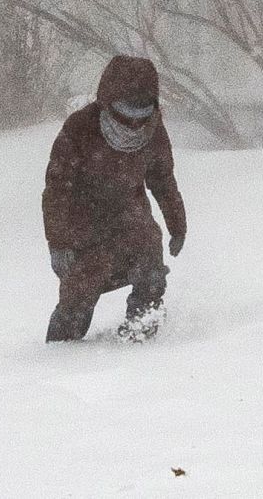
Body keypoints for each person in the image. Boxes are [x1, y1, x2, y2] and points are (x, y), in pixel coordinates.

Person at [41, 55, 186, 342]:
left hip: (133, 222)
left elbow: (162, 180)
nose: (133, 124)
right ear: (107, 103)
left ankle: (142, 333)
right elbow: (57, 190)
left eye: (141, 115)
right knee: (77, 300)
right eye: (124, 114)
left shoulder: (154, 131)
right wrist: (58, 243)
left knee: (151, 272)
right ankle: (58, 356)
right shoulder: (79, 129)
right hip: (85, 231)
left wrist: (177, 223)